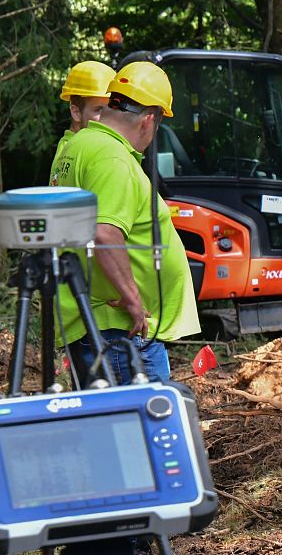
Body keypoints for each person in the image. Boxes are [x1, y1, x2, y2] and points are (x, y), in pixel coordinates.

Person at [50, 60, 200, 384]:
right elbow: (104, 233)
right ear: (148, 121)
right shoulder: (112, 157)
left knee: (107, 424)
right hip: (119, 328)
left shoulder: (77, 146)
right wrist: (133, 299)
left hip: (92, 320)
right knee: (149, 424)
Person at [53, 60, 115, 166]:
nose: (108, 117)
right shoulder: (88, 150)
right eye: (99, 109)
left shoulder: (67, 146)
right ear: (76, 112)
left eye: (111, 109)